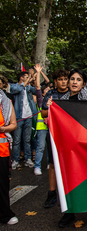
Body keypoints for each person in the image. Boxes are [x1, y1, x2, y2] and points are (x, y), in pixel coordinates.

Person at [56, 33, 87, 228]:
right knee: (70, 179)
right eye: (71, 79)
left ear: (84, 84)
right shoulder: (62, 102)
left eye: (78, 79)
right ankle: (70, 212)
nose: (74, 82)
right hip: (70, 148)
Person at [41, 68, 69, 209]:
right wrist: (50, 107)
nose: (63, 82)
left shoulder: (72, 93)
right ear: (55, 81)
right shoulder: (50, 94)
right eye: (60, 79)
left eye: (65, 79)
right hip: (53, 133)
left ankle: (69, 193)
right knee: (52, 163)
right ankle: (52, 193)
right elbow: (43, 113)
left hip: (69, 135)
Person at [10, 71, 37, 169]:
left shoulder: (29, 87)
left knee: (27, 140)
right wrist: (28, 79)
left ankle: (28, 159)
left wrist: (36, 76)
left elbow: (37, 89)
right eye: (26, 77)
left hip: (29, 117)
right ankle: (15, 160)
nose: (28, 78)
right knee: (17, 140)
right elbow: (17, 89)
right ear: (21, 78)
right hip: (18, 117)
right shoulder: (14, 86)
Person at [0, 89, 18, 225]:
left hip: (2, 150)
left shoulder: (5, 101)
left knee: (2, 184)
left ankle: (5, 214)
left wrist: (3, 129)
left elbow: (13, 124)